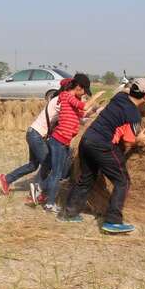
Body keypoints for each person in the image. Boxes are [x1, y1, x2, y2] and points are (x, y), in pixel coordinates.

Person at [59, 78, 145, 233]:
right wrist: (140, 139)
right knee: (122, 181)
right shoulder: (134, 116)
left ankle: (69, 213)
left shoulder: (119, 97)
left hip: (87, 140)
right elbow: (128, 142)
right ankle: (113, 221)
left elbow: (125, 93)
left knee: (86, 179)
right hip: (103, 146)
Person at [35, 74, 104, 213]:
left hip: (64, 142)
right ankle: (49, 202)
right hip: (59, 140)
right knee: (57, 173)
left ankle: (41, 189)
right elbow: (83, 107)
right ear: (78, 87)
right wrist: (95, 97)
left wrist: (97, 110)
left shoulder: (71, 100)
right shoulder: (67, 96)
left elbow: (82, 114)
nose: (84, 94)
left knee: (61, 172)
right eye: (84, 90)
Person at [0, 84, 65, 198]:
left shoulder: (57, 100)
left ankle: (7, 179)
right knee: (48, 164)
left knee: (33, 165)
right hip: (36, 136)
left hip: (32, 133)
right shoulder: (60, 102)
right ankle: (37, 191)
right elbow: (75, 115)